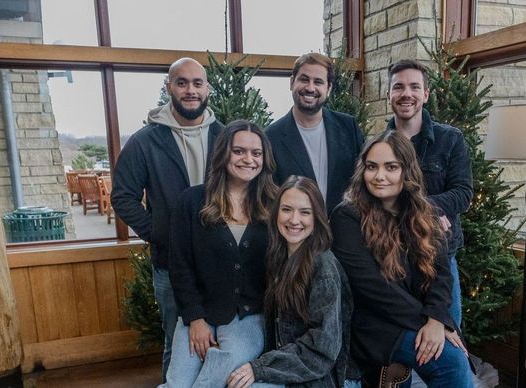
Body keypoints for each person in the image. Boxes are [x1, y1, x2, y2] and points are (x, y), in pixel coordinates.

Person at [330, 130, 472, 387]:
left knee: (455, 359)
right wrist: (427, 322)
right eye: (372, 167)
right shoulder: (347, 216)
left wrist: (438, 319)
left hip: (417, 316)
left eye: (391, 167)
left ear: (406, 171)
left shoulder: (425, 212)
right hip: (376, 324)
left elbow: (442, 272)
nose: (379, 176)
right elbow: (372, 287)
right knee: (450, 361)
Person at [111, 57, 223, 381]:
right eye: (182, 82)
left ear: (208, 89)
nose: (190, 90)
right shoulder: (146, 141)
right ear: (168, 87)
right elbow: (122, 197)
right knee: (177, 345)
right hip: (170, 265)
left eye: (197, 83)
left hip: (219, 261)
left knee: (221, 342)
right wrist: (160, 233)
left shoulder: (225, 136)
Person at [163, 120, 278, 387]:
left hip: (250, 317)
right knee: (177, 383)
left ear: (265, 158)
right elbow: (180, 266)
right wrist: (195, 319)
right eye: (239, 151)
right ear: (223, 153)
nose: (248, 159)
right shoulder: (192, 201)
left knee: (212, 380)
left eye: (256, 153)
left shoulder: (274, 204)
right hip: (200, 312)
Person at [226, 175, 352, 388]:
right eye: (287, 210)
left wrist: (260, 368)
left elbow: (322, 348)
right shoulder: (279, 257)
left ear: (317, 217)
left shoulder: (323, 268)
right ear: (276, 214)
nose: (294, 220)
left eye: (305, 212)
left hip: (314, 379)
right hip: (285, 367)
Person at [386, 59, 474, 330]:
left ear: (425, 94)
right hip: (394, 257)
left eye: (414, 87)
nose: (406, 94)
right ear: (389, 94)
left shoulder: (451, 139)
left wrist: (425, 207)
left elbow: (463, 194)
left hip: (439, 256)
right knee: (403, 335)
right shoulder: (377, 144)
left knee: (448, 333)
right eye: (398, 87)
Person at [266, 52, 365, 214]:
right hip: (297, 233)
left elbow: (362, 178)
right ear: (292, 82)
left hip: (345, 231)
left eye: (318, 82)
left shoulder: (348, 127)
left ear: (329, 88)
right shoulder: (271, 137)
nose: (310, 88)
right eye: (304, 79)